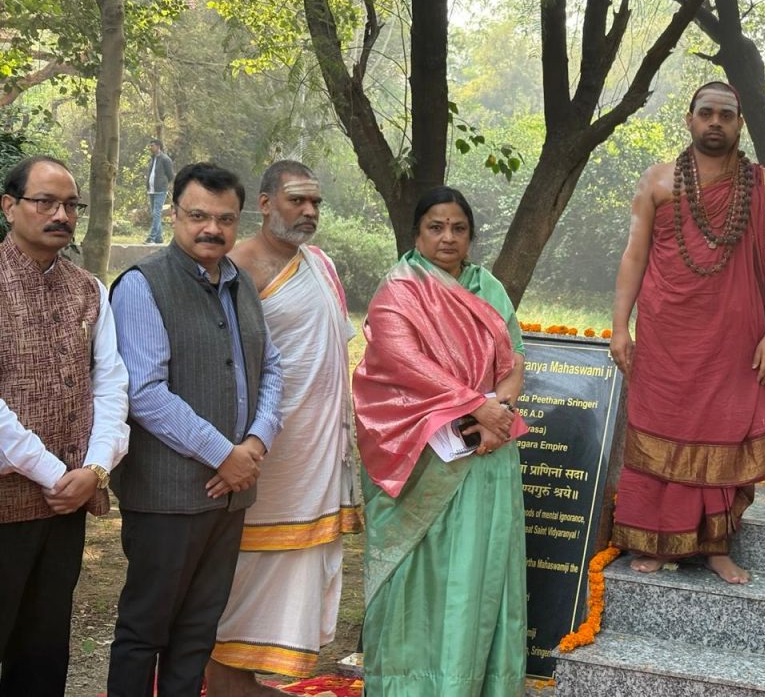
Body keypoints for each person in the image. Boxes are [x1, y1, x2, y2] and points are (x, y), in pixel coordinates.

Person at [610, 82, 765, 583]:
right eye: (706, 113)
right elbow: (634, 255)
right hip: (666, 337)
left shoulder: (764, 188)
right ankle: (658, 541)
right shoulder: (658, 181)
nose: (715, 122)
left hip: (736, 341)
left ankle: (716, 545)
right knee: (661, 430)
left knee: (722, 431)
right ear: (689, 119)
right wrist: (620, 326)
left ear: (739, 123)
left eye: (727, 114)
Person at [107, 162, 284, 696]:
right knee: (146, 629)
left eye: (225, 218)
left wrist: (255, 444)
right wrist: (222, 454)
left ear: (239, 220)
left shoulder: (240, 284)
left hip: (229, 497)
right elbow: (144, 392)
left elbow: (270, 367)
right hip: (166, 497)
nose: (212, 228)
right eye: (198, 216)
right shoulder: (144, 285)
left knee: (197, 632)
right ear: (174, 213)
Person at [352, 186, 529, 696]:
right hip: (422, 452)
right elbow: (402, 362)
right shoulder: (399, 291)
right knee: (421, 572)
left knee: (479, 569)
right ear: (417, 233)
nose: (447, 237)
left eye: (458, 228)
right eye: (436, 226)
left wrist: (501, 414)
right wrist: (479, 407)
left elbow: (513, 360)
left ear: (470, 236)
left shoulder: (487, 286)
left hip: (487, 454)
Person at [206, 161, 361, 694]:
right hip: (265, 453)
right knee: (249, 568)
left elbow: (335, 352)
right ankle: (224, 675)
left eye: (315, 202)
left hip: (321, 449)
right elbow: (225, 368)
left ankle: (248, 676)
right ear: (266, 203)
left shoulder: (321, 263)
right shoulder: (236, 268)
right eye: (297, 200)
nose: (310, 212)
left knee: (302, 565)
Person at [0, 155, 130, 697]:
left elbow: (112, 386)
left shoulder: (89, 289)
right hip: (9, 502)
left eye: (71, 205)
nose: (61, 214)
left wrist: (95, 470)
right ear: (9, 207)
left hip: (68, 505)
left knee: (44, 646)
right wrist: (59, 474)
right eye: (45, 202)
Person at [144, 138, 174, 244]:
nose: (150, 147)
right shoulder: (152, 159)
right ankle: (159, 238)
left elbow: (171, 175)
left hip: (160, 190)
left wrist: (163, 184)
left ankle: (151, 237)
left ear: (158, 146)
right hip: (151, 190)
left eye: (152, 145)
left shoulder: (165, 159)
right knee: (154, 213)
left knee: (157, 213)